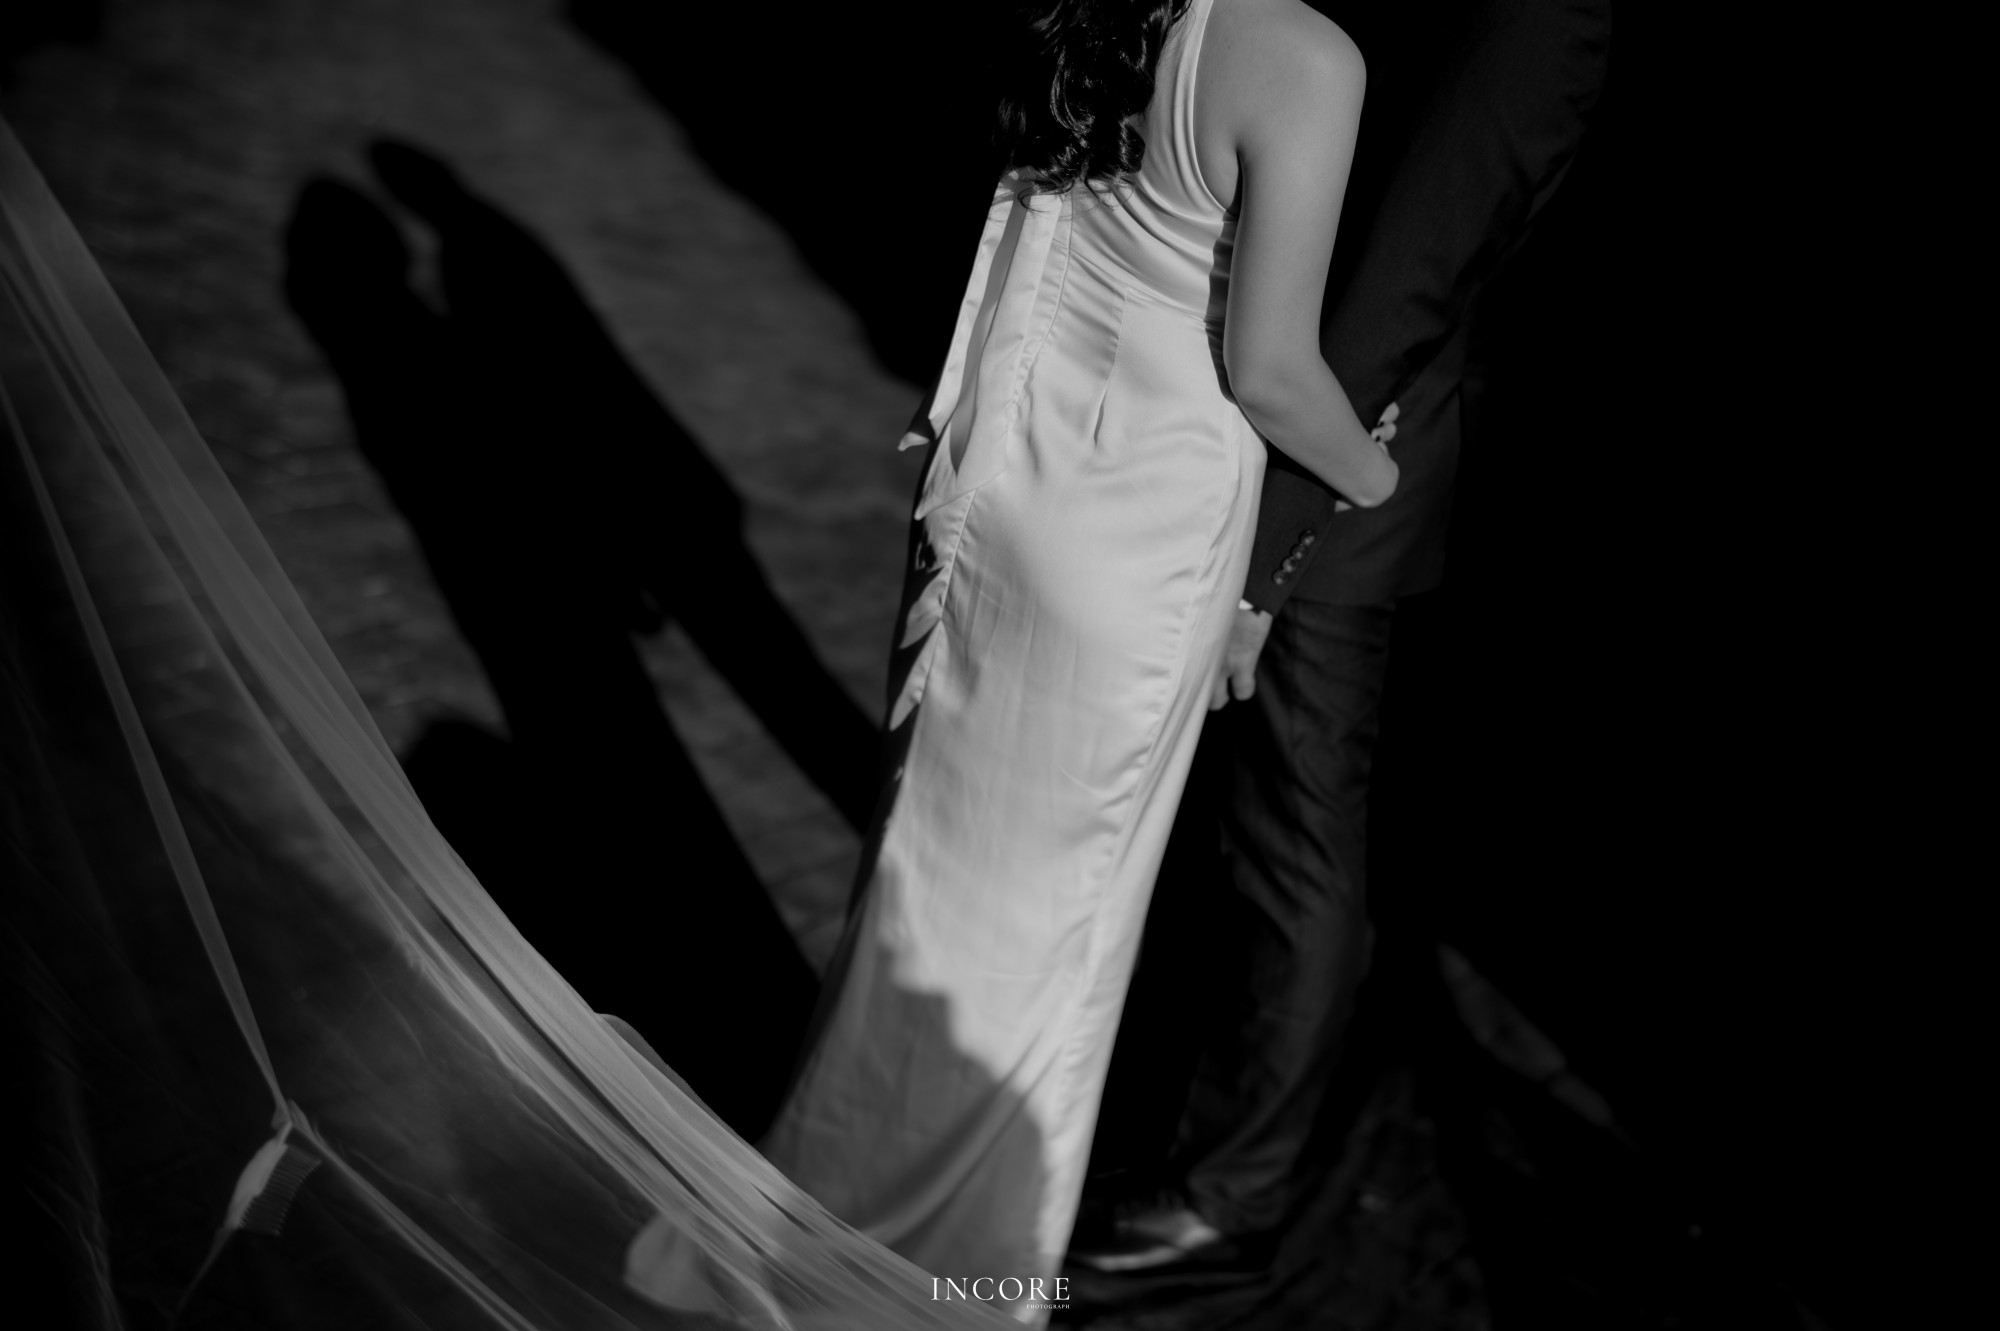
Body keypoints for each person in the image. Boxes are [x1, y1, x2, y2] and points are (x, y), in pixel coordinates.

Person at [627, 0, 1396, 1321]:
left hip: (1000, 494)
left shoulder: (1108, 3)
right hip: (1134, 542)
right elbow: (1270, 369)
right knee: (1048, 958)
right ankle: (943, 1290)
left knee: (924, 891)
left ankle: (819, 1222)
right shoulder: (1305, 56)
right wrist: (1375, 473)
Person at [1069, 0, 1612, 1274]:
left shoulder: (1539, 21)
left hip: (1326, 489)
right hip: (1252, 437)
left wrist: (1265, 563)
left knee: (1292, 845)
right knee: (1226, 825)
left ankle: (1231, 1187)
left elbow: (1396, 291)